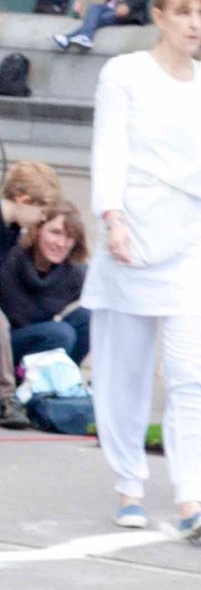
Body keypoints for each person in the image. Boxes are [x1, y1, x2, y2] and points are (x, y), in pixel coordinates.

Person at [84, 0, 201, 539]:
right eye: (184, 12)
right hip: (135, 231)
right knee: (124, 373)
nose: (195, 24)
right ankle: (129, 483)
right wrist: (112, 217)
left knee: (195, 370)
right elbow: (109, 148)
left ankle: (191, 495)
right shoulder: (125, 74)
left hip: (196, 235)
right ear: (160, 15)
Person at [0, 160, 62, 427]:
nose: (42, 218)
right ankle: (5, 399)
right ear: (22, 199)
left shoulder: (11, 230)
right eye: (41, 211)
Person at [0, 200, 89, 364]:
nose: (61, 243)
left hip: (44, 337)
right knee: (60, 333)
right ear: (37, 230)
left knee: (89, 317)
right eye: (55, 232)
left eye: (69, 237)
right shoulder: (10, 256)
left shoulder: (75, 272)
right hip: (6, 344)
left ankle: (61, 377)